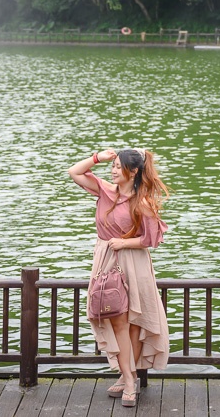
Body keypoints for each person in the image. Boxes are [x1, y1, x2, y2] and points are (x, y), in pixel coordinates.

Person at [68, 148, 170, 408]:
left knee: (132, 322)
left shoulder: (142, 201)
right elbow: (74, 172)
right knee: (117, 320)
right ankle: (128, 377)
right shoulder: (105, 190)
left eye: (117, 166)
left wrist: (124, 244)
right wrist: (97, 158)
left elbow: (151, 239)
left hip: (132, 261)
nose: (112, 170)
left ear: (133, 171)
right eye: (111, 166)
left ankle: (129, 380)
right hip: (106, 258)